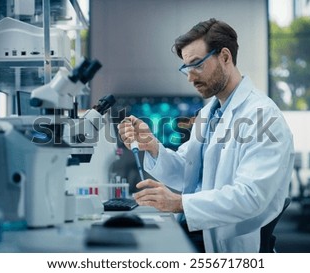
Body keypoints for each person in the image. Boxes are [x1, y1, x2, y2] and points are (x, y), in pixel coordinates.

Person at [117, 18, 294, 253]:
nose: (190, 77)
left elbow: (251, 196)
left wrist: (180, 203)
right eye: (186, 69)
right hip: (200, 232)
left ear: (225, 57)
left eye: (197, 65)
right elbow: (189, 173)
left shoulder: (263, 116)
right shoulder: (209, 113)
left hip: (233, 245)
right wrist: (153, 146)